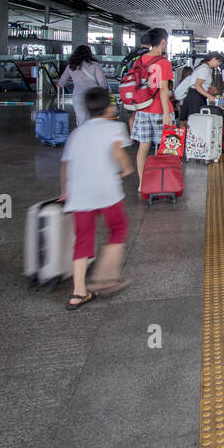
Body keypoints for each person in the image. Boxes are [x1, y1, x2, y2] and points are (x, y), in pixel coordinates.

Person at [58, 88, 133, 310]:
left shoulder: (77, 133)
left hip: (79, 192)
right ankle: (106, 279)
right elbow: (118, 153)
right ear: (109, 107)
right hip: (106, 191)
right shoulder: (114, 128)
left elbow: (66, 165)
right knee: (118, 229)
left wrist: (65, 190)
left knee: (83, 239)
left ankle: (78, 292)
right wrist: (126, 169)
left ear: (85, 109)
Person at [130, 28, 176, 190]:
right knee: (166, 147)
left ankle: (142, 184)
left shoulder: (140, 60)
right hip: (159, 110)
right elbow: (163, 89)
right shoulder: (163, 62)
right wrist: (166, 114)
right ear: (163, 41)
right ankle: (162, 182)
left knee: (143, 146)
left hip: (143, 109)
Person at [58, 44, 109, 126]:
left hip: (78, 96)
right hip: (93, 96)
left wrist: (59, 86)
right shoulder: (94, 65)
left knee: (81, 121)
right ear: (89, 53)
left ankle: (82, 136)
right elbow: (103, 83)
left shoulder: (71, 66)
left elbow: (61, 82)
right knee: (94, 120)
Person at [177, 51, 222, 119]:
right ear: (213, 59)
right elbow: (197, 85)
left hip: (195, 95)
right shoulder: (204, 69)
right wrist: (210, 96)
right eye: (218, 61)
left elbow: (200, 84)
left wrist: (209, 89)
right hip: (195, 97)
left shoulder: (205, 68)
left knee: (195, 119)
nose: (218, 64)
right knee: (196, 119)